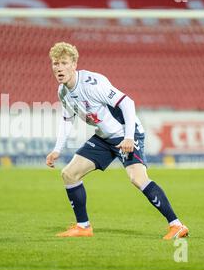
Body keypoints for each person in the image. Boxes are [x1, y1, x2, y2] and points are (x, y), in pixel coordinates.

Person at [46, 42, 188, 240]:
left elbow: (127, 103)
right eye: (55, 63)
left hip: (126, 134)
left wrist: (129, 137)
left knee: (137, 179)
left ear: (74, 64)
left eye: (63, 63)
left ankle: (177, 225)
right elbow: (67, 119)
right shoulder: (62, 91)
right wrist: (57, 149)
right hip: (104, 138)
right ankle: (83, 227)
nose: (59, 68)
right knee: (69, 174)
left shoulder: (92, 83)